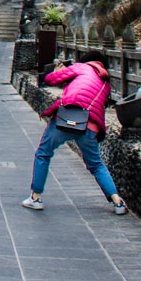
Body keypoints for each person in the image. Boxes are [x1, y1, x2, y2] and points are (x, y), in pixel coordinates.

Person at [21, 50, 127, 214]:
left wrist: (58, 71)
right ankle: (118, 202)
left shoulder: (81, 67)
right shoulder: (106, 85)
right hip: (89, 125)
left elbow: (50, 80)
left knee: (43, 153)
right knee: (96, 164)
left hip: (65, 118)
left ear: (87, 61)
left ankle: (35, 198)